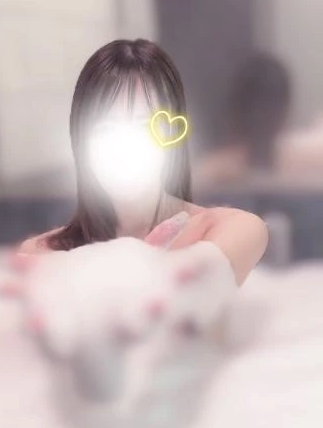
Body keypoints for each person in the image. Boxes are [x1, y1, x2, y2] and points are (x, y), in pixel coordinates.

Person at [19, 39, 268, 286]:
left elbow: (197, 292)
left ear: (172, 133)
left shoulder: (228, 230)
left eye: (143, 126)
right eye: (106, 129)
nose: (124, 147)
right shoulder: (43, 255)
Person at [196, 51, 292, 186]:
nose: (263, 118)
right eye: (258, 110)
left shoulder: (296, 166)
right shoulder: (213, 174)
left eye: (272, 107)